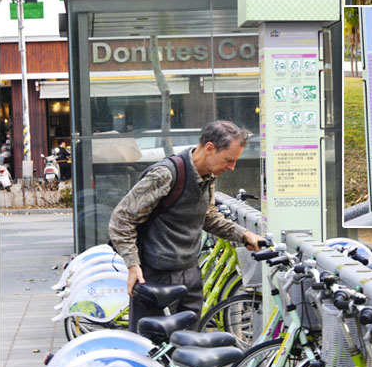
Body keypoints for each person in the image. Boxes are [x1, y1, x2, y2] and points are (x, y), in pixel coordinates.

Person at [109, 120, 266, 332]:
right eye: (229, 160)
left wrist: (244, 234)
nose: (232, 167)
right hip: (157, 275)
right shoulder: (165, 174)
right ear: (210, 148)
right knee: (150, 348)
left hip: (190, 273)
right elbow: (121, 220)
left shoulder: (208, 176)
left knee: (189, 348)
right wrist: (133, 265)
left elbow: (208, 216)